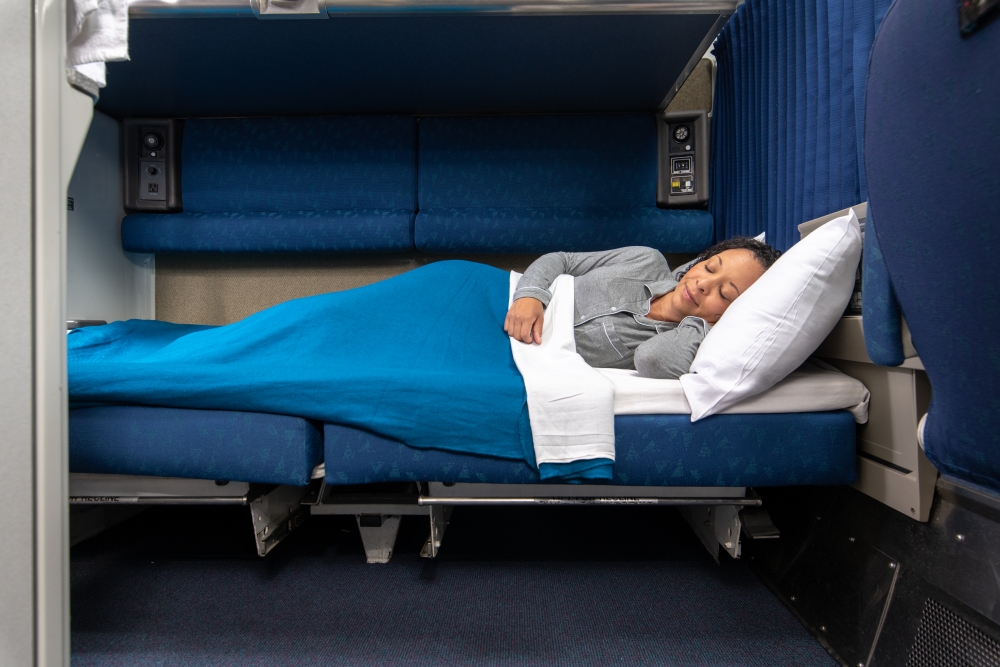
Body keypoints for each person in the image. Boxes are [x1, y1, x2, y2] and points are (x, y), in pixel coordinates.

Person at [504, 238, 781, 379]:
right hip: (501, 295)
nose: (702, 284)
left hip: (510, 355)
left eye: (723, 293)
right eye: (709, 267)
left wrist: (706, 325)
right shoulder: (646, 260)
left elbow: (652, 360)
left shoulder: (679, 344)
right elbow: (561, 261)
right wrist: (530, 296)